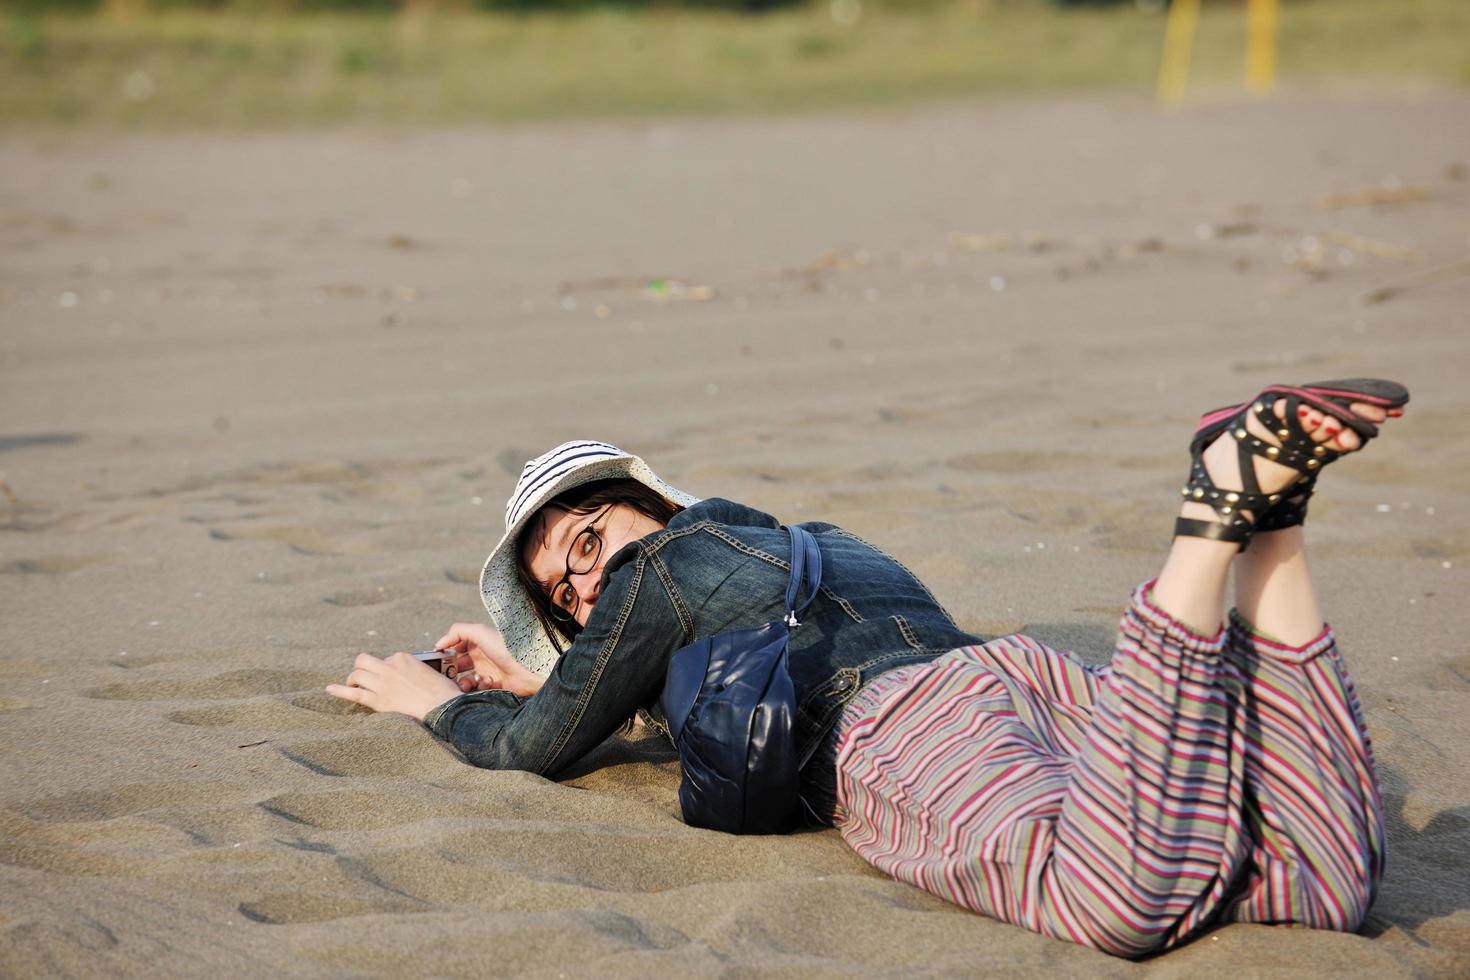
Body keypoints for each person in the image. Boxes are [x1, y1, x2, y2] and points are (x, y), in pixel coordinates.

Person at [328, 378, 1408, 958]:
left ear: (655, 508)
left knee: (1112, 892)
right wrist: (541, 674)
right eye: (563, 596)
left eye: (586, 541)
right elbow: (723, 682)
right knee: (1311, 885)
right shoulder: (808, 541)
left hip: (901, 728)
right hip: (1019, 680)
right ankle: (1275, 523)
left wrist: (436, 703)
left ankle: (1214, 523)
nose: (584, 584)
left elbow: (532, 748)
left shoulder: (657, 569)